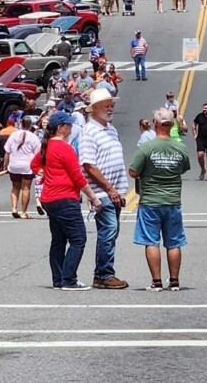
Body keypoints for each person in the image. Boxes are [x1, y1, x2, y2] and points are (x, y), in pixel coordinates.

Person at [33, 111, 103, 291]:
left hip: (50, 197)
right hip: (64, 197)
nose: (71, 127)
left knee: (58, 239)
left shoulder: (47, 146)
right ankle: (69, 279)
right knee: (78, 238)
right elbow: (77, 176)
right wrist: (93, 197)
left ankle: (59, 278)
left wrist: (44, 173)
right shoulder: (65, 148)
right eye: (68, 125)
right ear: (60, 128)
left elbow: (34, 164)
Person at [130, 108, 191, 292]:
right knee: (174, 242)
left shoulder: (146, 148)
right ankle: (174, 281)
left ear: (155, 125)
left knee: (151, 241)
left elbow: (133, 171)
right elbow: (184, 168)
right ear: (172, 125)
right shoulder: (180, 147)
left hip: (150, 200)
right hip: (172, 200)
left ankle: (156, 282)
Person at [79, 88, 130, 289]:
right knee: (108, 231)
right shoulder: (89, 131)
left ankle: (105, 272)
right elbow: (88, 165)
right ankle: (103, 274)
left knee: (112, 232)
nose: (110, 109)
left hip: (115, 190)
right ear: (95, 108)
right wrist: (109, 189)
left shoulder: (111, 129)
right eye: (106, 106)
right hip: (103, 191)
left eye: (112, 105)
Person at [3, 116, 41, 219]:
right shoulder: (34, 137)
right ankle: (24, 212)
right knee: (26, 188)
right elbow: (38, 153)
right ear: (30, 125)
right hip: (27, 166)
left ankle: (14, 208)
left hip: (14, 164)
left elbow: (7, 151)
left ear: (21, 123)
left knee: (15, 187)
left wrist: (5, 164)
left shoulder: (13, 135)